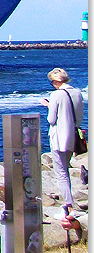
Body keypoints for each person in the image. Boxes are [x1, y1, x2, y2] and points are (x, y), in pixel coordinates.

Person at [41, 67, 85, 215]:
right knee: (66, 168)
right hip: (73, 137)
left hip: (59, 137)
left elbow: (51, 119)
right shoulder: (78, 93)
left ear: (55, 81)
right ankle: (70, 204)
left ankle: (69, 206)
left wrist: (48, 106)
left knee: (61, 173)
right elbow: (79, 118)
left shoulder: (56, 95)